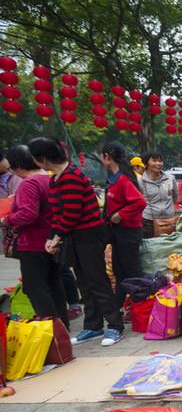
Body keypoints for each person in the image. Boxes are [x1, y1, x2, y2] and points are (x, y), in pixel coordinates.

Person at [29, 137, 125, 346]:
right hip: (74, 236)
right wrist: (52, 236)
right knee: (84, 283)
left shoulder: (71, 176)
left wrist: (56, 237)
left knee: (97, 281)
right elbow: (58, 214)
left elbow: (72, 214)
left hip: (89, 235)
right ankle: (93, 326)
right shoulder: (56, 178)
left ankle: (115, 326)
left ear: (42, 159)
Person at [0, 145, 68, 328]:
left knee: (35, 287)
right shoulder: (50, 178)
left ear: (18, 166)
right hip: (52, 240)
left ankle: (50, 328)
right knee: (54, 284)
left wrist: (6, 220)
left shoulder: (29, 184)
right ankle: (62, 326)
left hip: (33, 243)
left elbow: (27, 214)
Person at [100, 142, 147, 309]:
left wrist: (120, 214)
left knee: (133, 272)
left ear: (107, 157)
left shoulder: (123, 179)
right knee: (119, 271)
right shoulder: (114, 178)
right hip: (118, 232)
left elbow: (140, 202)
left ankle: (142, 308)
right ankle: (118, 307)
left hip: (128, 232)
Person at [138, 151, 178, 238]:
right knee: (151, 245)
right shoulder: (140, 181)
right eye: (154, 161)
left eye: (160, 161)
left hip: (169, 220)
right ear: (146, 163)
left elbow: (175, 197)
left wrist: (168, 209)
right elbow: (138, 202)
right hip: (149, 221)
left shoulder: (170, 178)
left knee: (169, 244)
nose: (158, 163)